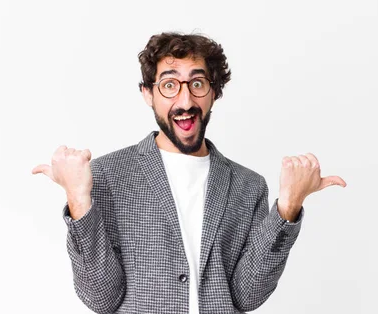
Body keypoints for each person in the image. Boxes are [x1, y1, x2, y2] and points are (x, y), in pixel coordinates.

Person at [32, 32, 346, 314]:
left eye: (197, 84)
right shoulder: (105, 176)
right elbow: (100, 298)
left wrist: (288, 207)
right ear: (147, 94)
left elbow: (246, 296)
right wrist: (77, 198)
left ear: (214, 93)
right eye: (169, 85)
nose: (185, 101)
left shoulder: (248, 186)